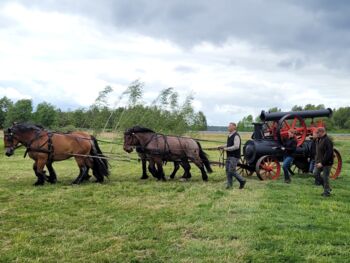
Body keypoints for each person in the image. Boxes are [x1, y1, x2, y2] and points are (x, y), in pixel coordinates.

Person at [218, 122, 246, 189]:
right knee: (227, 170)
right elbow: (229, 144)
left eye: (230, 126)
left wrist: (226, 149)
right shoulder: (230, 135)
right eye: (228, 126)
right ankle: (229, 185)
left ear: (234, 127)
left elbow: (236, 146)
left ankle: (242, 180)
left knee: (232, 170)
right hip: (229, 155)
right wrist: (222, 146)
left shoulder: (236, 135)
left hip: (234, 156)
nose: (228, 127)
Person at [313, 127, 334, 197]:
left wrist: (322, 163)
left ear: (322, 132)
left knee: (325, 177)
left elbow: (329, 153)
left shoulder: (327, 140)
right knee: (315, 174)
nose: (316, 134)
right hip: (319, 162)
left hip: (327, 163)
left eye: (317, 133)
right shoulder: (319, 139)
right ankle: (327, 188)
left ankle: (327, 192)